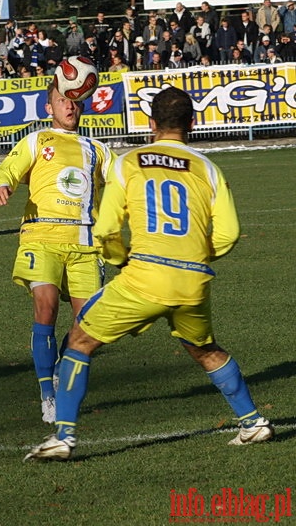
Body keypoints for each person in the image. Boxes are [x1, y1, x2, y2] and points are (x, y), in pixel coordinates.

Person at [25, 86, 274, 462]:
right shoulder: (207, 167)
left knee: (79, 340)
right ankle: (253, 422)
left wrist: (119, 259)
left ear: (152, 123)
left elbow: (107, 229)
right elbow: (229, 233)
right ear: (191, 122)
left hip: (144, 276)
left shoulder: (130, 162)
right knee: (204, 349)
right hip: (192, 280)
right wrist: (194, 254)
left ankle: (63, 436)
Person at [0, 81, 115, 425]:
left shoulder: (97, 148)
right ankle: (48, 395)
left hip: (86, 243)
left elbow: (124, 180)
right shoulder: (37, 140)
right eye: (61, 101)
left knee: (86, 327)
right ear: (49, 108)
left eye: (73, 101)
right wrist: (3, 184)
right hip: (41, 235)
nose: (69, 107)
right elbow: (11, 166)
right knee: (45, 305)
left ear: (82, 107)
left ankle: (60, 367)